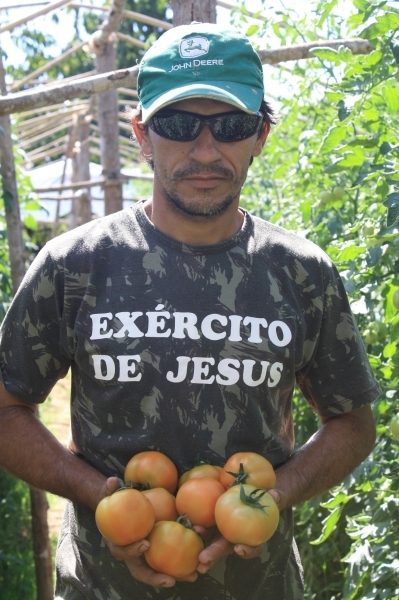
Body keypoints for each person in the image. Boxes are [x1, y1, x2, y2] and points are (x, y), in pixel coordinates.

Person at [0, 22, 379, 600]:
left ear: (261, 135)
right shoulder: (75, 264)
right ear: (143, 136)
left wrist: (276, 495)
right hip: (101, 588)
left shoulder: (302, 272)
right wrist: (98, 494)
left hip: (262, 586)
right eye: (178, 126)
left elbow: (353, 420)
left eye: (230, 126)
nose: (205, 151)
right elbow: (6, 407)